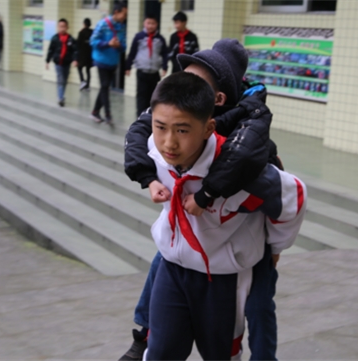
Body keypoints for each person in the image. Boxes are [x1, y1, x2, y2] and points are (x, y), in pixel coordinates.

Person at [121, 39, 284, 361]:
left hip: (243, 242)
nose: (185, 86)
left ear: (218, 99)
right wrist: (148, 177)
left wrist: (209, 192)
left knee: (259, 305)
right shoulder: (177, 111)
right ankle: (143, 333)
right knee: (166, 258)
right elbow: (139, 131)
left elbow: (255, 163)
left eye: (198, 82)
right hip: (192, 239)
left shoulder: (246, 127)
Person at [89, 1, 127, 125]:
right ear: (116, 12)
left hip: (113, 62)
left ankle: (95, 111)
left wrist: (118, 46)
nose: (125, 17)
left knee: (104, 87)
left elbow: (123, 46)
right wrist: (107, 44)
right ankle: (108, 114)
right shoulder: (103, 23)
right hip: (101, 61)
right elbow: (93, 41)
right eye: (124, 14)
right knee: (105, 86)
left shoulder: (121, 27)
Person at [125, 14, 168, 117]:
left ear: (157, 24)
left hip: (154, 73)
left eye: (153, 23)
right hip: (142, 71)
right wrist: (127, 67)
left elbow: (165, 54)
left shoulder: (160, 39)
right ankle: (140, 117)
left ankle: (150, 117)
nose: (150, 26)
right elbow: (132, 52)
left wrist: (165, 66)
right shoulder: (139, 37)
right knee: (141, 96)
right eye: (148, 23)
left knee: (152, 97)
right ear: (144, 23)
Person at [46, 18, 78, 107]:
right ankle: (61, 98)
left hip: (67, 63)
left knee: (64, 80)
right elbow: (50, 50)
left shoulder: (71, 39)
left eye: (64, 27)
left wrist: (75, 60)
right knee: (60, 79)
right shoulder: (55, 38)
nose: (62, 28)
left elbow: (75, 51)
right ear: (57, 27)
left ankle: (61, 95)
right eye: (60, 26)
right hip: (58, 63)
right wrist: (47, 61)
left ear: (67, 27)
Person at [76, 18, 93, 91]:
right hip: (90, 54)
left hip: (82, 55)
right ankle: (88, 86)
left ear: (84, 24)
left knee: (79, 68)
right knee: (88, 70)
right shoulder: (93, 32)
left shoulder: (81, 32)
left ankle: (82, 81)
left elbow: (78, 44)